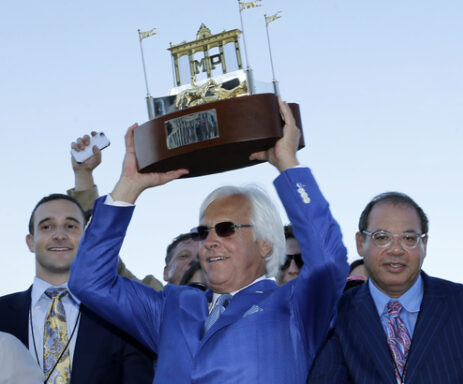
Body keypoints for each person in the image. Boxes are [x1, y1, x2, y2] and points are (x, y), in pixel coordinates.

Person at [68, 98, 349, 384]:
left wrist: (288, 164)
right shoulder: (173, 308)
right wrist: (128, 186)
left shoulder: (294, 307)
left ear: (265, 243)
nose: (210, 241)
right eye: (204, 232)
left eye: (226, 229)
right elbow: (88, 281)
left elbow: (327, 260)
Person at [308, 192, 463, 384]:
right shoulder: (334, 317)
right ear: (360, 243)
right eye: (381, 237)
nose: (396, 249)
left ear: (424, 244)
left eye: (409, 238)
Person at [0, 194, 154, 383]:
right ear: (30, 242)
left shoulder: (120, 317)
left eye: (71, 226)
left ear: (86, 240)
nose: (59, 235)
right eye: (47, 227)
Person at [69, 132, 163, 290]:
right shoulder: (153, 299)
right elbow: (96, 255)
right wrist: (83, 175)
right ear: (168, 271)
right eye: (184, 256)